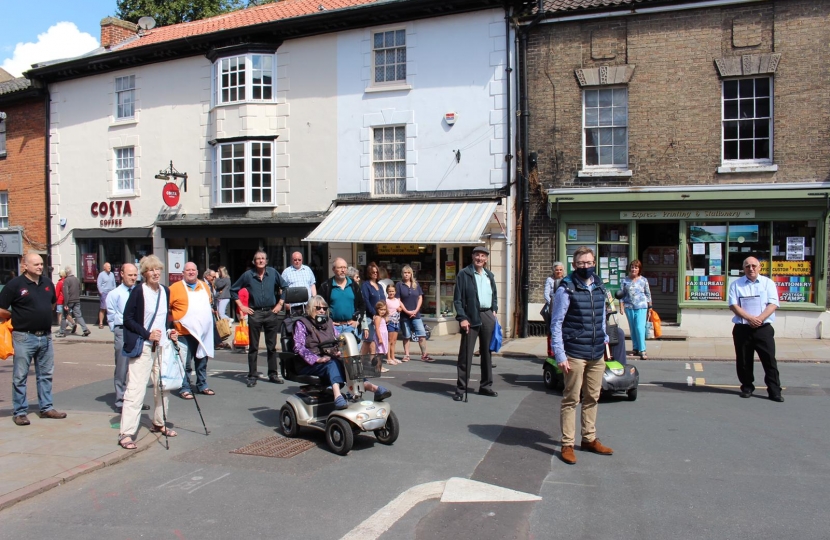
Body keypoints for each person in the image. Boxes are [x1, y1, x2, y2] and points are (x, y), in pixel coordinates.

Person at [550, 246, 613, 465]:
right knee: (571, 399)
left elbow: (602, 315)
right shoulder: (566, 288)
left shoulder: (599, 286)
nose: (586, 266)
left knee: (593, 397)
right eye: (581, 263)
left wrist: (605, 339)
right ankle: (567, 443)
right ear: (574, 265)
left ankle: (589, 438)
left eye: (589, 262)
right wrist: (560, 354)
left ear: (594, 262)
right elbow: (556, 323)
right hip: (575, 351)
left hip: (596, 351)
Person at [118, 255, 179, 449]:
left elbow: (164, 319)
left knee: (163, 387)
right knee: (135, 390)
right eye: (151, 270)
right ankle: (126, 433)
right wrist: (147, 334)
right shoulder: (138, 291)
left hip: (161, 346)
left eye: (158, 269)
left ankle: (159, 423)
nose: (155, 273)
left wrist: (170, 331)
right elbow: (127, 319)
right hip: (143, 347)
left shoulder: (165, 291)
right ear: (144, 273)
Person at [0, 253, 67, 426]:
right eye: (36, 264)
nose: (39, 267)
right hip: (23, 336)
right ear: (25, 266)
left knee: (45, 374)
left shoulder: (47, 283)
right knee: (20, 376)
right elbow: (1, 308)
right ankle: (20, 412)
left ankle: (46, 408)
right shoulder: (15, 285)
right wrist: (15, 316)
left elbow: (52, 303)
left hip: (45, 336)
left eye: (41, 264)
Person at [293, 295, 391, 409]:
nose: (322, 310)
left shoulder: (328, 322)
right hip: (309, 363)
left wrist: (341, 351)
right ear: (310, 308)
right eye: (318, 308)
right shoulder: (302, 323)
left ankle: (373, 388)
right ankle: (337, 395)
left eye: (324, 308)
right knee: (332, 363)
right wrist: (317, 358)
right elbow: (298, 347)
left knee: (350, 362)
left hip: (329, 357)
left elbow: (339, 339)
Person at [727, 256, 783, 402]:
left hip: (763, 329)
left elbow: (773, 304)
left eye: (753, 266)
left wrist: (759, 319)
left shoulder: (768, 283)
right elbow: (733, 305)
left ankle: (774, 390)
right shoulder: (736, 284)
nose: (750, 269)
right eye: (747, 266)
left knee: (769, 360)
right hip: (743, 328)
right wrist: (750, 319)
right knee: (744, 360)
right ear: (743, 268)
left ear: (759, 267)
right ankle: (747, 386)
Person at [230, 251, 288, 387]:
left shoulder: (273, 273)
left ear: (266, 261)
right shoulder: (248, 275)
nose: (261, 261)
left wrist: (280, 304)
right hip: (255, 313)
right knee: (254, 347)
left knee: (271, 347)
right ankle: (252, 375)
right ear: (254, 262)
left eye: (263, 258)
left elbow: (285, 287)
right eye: (258, 259)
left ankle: (273, 374)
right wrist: (242, 307)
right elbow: (233, 290)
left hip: (270, 312)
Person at [452, 246, 498, 401]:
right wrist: (462, 318)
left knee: (487, 353)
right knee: (466, 354)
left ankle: (486, 386)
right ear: (472, 257)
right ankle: (461, 389)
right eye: (477, 255)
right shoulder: (464, 274)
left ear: (486, 259)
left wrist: (494, 310)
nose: (480, 258)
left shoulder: (489, 275)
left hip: (487, 314)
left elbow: (495, 295)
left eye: (483, 256)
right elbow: (457, 299)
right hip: (470, 316)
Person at [106, 263, 149, 413]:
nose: (133, 278)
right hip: (123, 331)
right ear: (121, 275)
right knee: (122, 367)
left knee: (137, 368)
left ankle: (134, 400)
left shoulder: (141, 292)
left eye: (135, 275)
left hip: (139, 331)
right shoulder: (115, 294)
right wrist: (117, 331)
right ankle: (120, 401)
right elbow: (111, 316)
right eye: (130, 275)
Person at [171, 262, 216, 399]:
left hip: (203, 333)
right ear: (183, 273)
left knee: (202, 360)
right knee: (185, 363)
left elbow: (208, 305)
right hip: (183, 332)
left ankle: (202, 385)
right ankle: (184, 387)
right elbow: (166, 308)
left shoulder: (204, 286)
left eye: (193, 270)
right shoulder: (174, 288)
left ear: (197, 272)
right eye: (188, 270)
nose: (191, 272)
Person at [319, 258, 365, 339]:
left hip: (351, 327)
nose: (343, 270)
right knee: (335, 351)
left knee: (352, 351)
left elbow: (362, 305)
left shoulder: (354, 285)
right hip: (333, 328)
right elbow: (318, 307)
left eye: (345, 267)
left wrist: (357, 322)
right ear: (333, 269)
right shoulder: (326, 286)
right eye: (340, 267)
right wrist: (327, 322)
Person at [396, 265, 432, 362]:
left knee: (421, 334)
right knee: (406, 335)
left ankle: (424, 355)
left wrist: (416, 310)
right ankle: (406, 355)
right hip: (404, 315)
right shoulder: (399, 285)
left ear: (411, 274)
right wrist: (407, 311)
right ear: (402, 274)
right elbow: (398, 300)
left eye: (408, 273)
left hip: (416, 315)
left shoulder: (415, 284)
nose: (406, 274)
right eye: (405, 273)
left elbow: (420, 297)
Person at [620, 259, 652, 360]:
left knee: (639, 328)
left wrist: (650, 307)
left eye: (636, 267)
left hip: (641, 306)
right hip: (629, 307)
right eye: (632, 267)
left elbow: (648, 294)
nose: (634, 269)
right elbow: (621, 294)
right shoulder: (625, 280)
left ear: (639, 269)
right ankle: (635, 348)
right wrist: (621, 307)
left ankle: (642, 350)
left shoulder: (643, 280)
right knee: (633, 329)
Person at [361, 262, 385, 355]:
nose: (375, 274)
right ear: (369, 273)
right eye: (373, 272)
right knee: (368, 340)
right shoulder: (365, 285)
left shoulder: (380, 286)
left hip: (380, 317)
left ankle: (373, 363)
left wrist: (384, 314)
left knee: (376, 340)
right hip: (369, 317)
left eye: (376, 272)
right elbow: (366, 301)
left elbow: (383, 301)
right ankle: (361, 362)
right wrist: (374, 313)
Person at [543, 262, 566, 357]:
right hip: (552, 306)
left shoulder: (565, 280)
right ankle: (551, 352)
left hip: (563, 306)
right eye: (557, 270)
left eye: (560, 270)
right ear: (553, 270)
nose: (559, 271)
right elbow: (546, 294)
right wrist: (553, 304)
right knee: (552, 330)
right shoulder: (550, 280)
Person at [60, 266, 90, 337]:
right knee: (79, 316)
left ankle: (62, 332)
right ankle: (85, 329)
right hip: (77, 300)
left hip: (69, 301)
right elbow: (79, 289)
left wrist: (65, 304)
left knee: (64, 316)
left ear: (66, 273)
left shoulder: (66, 280)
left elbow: (66, 293)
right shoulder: (77, 279)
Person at [385, 283, 403, 364]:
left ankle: (393, 357)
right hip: (390, 322)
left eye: (392, 291)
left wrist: (400, 309)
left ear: (395, 292)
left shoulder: (397, 300)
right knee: (389, 340)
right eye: (389, 291)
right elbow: (384, 310)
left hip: (397, 322)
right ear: (387, 292)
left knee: (394, 341)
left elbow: (400, 307)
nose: (391, 293)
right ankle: (388, 358)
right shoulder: (386, 300)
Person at [55, 270, 75, 336]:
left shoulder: (60, 283)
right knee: (67, 314)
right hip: (68, 301)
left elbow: (56, 293)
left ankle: (61, 329)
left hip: (60, 301)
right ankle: (72, 324)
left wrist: (54, 301)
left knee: (60, 315)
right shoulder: (68, 281)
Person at [97, 262, 117, 329]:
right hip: (104, 293)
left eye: (110, 266)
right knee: (103, 308)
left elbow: (114, 283)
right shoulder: (101, 275)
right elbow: (99, 284)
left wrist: (114, 291)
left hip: (111, 293)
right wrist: (101, 292)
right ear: (104, 267)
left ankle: (111, 322)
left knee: (111, 308)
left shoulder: (112, 274)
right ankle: (101, 323)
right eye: (108, 266)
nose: (109, 267)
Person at [373, 301, 391, 370]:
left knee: (381, 352)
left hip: (384, 336)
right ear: (377, 309)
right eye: (381, 309)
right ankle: (378, 367)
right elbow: (377, 328)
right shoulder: (378, 318)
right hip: (380, 336)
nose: (383, 311)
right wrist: (380, 338)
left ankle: (380, 366)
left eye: (384, 309)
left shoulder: (382, 317)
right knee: (379, 352)